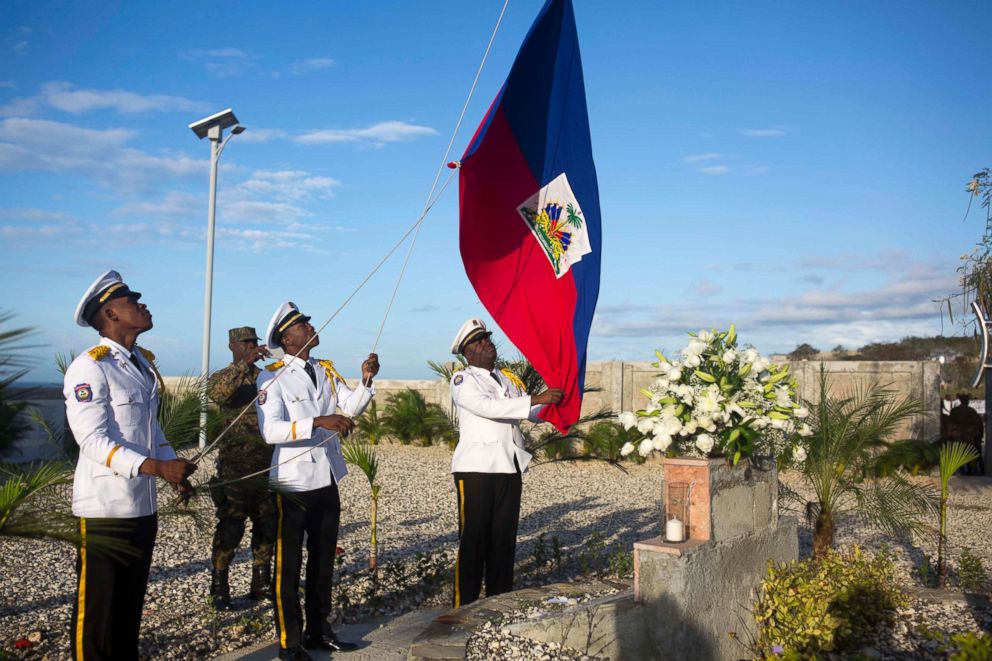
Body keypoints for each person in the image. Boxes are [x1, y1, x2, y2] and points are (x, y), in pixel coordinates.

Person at [63, 270, 197, 660]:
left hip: (141, 504)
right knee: (98, 614)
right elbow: (91, 440)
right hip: (104, 507)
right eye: (131, 301)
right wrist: (157, 468)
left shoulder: (139, 362)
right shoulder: (90, 367)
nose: (142, 305)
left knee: (128, 609)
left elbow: (151, 428)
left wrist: (173, 471)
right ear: (111, 313)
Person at [256, 302, 379, 661]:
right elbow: (270, 431)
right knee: (289, 564)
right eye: (302, 325)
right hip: (292, 480)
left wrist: (367, 380)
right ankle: (288, 642)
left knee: (323, 559)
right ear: (286, 338)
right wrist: (317, 422)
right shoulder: (272, 376)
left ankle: (319, 630)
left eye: (307, 322)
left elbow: (351, 407)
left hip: (326, 474)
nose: (310, 327)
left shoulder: (324, 369)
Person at [448, 319, 563, 607]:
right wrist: (536, 398)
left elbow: (529, 410)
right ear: (467, 353)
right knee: (474, 541)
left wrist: (556, 408)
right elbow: (488, 407)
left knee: (503, 540)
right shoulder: (463, 380)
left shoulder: (508, 379)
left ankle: (498, 604)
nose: (487, 343)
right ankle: (464, 609)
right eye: (478, 341)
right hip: (476, 469)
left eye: (487, 337)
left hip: (508, 465)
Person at [207, 326, 276, 609]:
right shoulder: (223, 377)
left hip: (265, 465)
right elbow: (218, 395)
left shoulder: (267, 378)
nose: (251, 346)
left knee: (267, 525)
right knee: (231, 526)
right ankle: (219, 583)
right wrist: (244, 365)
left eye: (254, 342)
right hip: (235, 467)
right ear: (232, 346)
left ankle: (261, 582)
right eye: (245, 342)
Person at [948, 394, 985, 475]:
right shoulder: (972, 411)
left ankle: (957, 471)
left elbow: (950, 424)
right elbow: (977, 424)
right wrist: (978, 436)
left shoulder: (954, 411)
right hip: (969, 437)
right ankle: (970, 471)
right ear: (967, 401)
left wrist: (949, 435)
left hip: (957, 437)